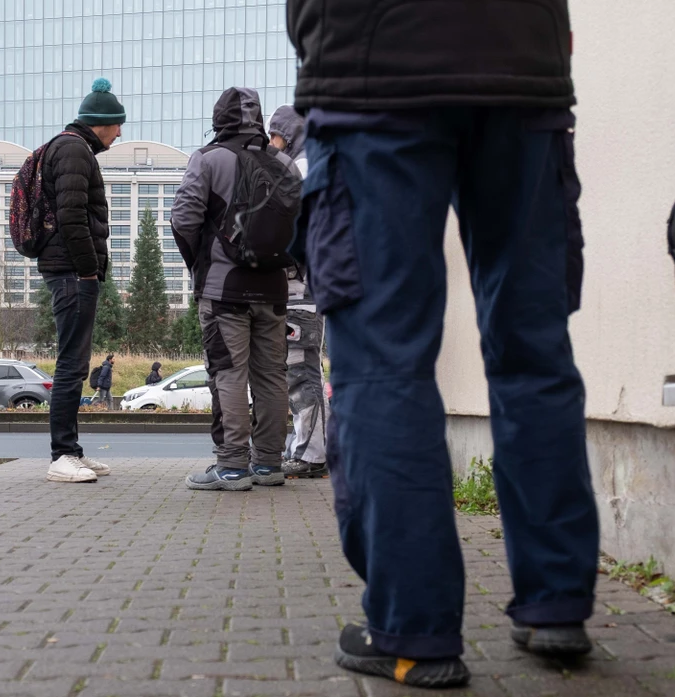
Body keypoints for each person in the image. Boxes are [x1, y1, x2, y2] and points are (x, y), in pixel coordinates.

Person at [288, 0, 597, 689]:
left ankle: (414, 626)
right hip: (521, 58)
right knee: (533, 349)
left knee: (382, 360)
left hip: (370, 67)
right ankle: (555, 602)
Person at [172, 87, 300, 492]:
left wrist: (200, 263)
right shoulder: (285, 164)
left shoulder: (208, 159)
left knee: (228, 374)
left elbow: (183, 219)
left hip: (223, 289)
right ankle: (268, 464)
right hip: (275, 289)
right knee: (272, 377)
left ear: (219, 119)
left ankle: (231, 467)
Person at [37, 78, 124, 484]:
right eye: (117, 124)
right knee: (71, 364)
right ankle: (61, 456)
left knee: (75, 362)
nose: (120, 132)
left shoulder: (74, 148)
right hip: (72, 273)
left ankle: (71, 450)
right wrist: (89, 269)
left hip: (72, 271)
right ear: (100, 123)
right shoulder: (73, 150)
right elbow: (72, 217)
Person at [269, 106, 326, 478]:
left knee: (300, 373)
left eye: (274, 136)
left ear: (287, 136)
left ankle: (310, 454)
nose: (269, 144)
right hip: (311, 285)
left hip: (300, 288)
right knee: (308, 372)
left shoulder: (300, 170)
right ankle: (312, 448)